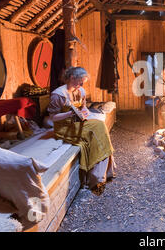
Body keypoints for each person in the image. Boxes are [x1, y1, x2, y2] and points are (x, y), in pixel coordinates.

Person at [47, 67, 116, 195]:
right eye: (79, 82)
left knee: (100, 126)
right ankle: (95, 178)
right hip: (64, 127)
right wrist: (69, 114)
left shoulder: (80, 91)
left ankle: (104, 173)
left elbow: (84, 108)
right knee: (94, 132)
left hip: (78, 122)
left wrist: (85, 112)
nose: (81, 85)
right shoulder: (58, 95)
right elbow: (53, 117)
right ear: (72, 78)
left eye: (83, 82)